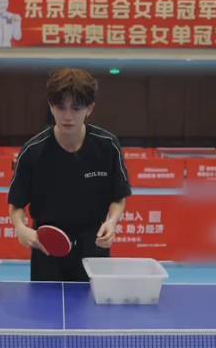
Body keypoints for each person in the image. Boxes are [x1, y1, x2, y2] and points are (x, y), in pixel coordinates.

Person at [8, 68, 132, 282]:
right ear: (50, 106)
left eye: (76, 108)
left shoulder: (108, 146)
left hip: (94, 245)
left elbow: (118, 196)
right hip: (47, 247)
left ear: (89, 108)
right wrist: (20, 227)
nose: (67, 116)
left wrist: (111, 222)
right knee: (45, 302)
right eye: (60, 107)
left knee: (92, 303)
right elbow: (16, 203)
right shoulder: (32, 151)